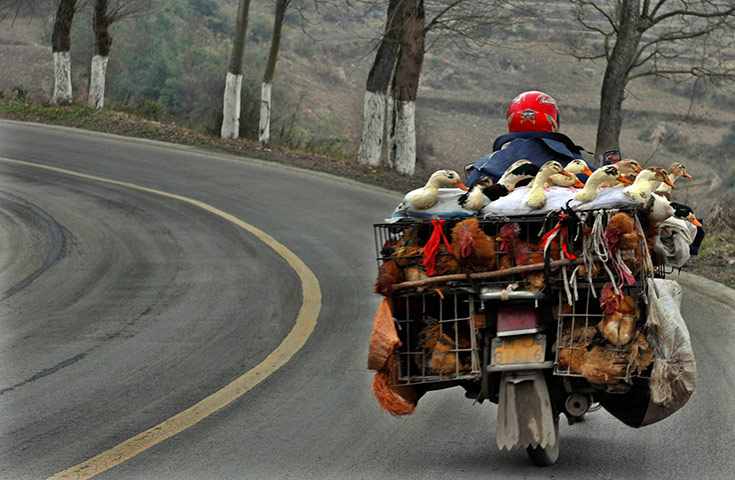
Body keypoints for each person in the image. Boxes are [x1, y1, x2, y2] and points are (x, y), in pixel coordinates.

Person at [466, 91, 592, 186]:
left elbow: (464, 198)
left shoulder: (485, 165)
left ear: (511, 119)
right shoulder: (574, 162)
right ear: (553, 119)